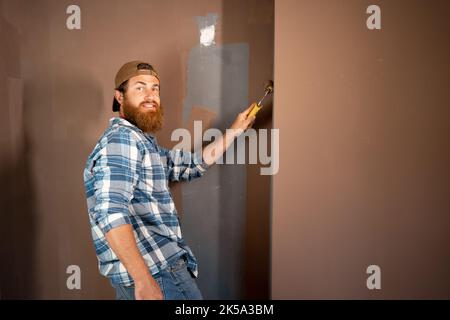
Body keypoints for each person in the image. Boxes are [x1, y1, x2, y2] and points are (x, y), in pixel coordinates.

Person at [83, 60, 255, 300]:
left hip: (148, 273)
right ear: (119, 97)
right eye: (140, 87)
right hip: (157, 272)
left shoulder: (141, 142)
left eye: (155, 88)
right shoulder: (122, 140)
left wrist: (235, 130)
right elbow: (111, 212)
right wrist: (144, 279)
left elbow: (192, 165)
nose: (150, 95)